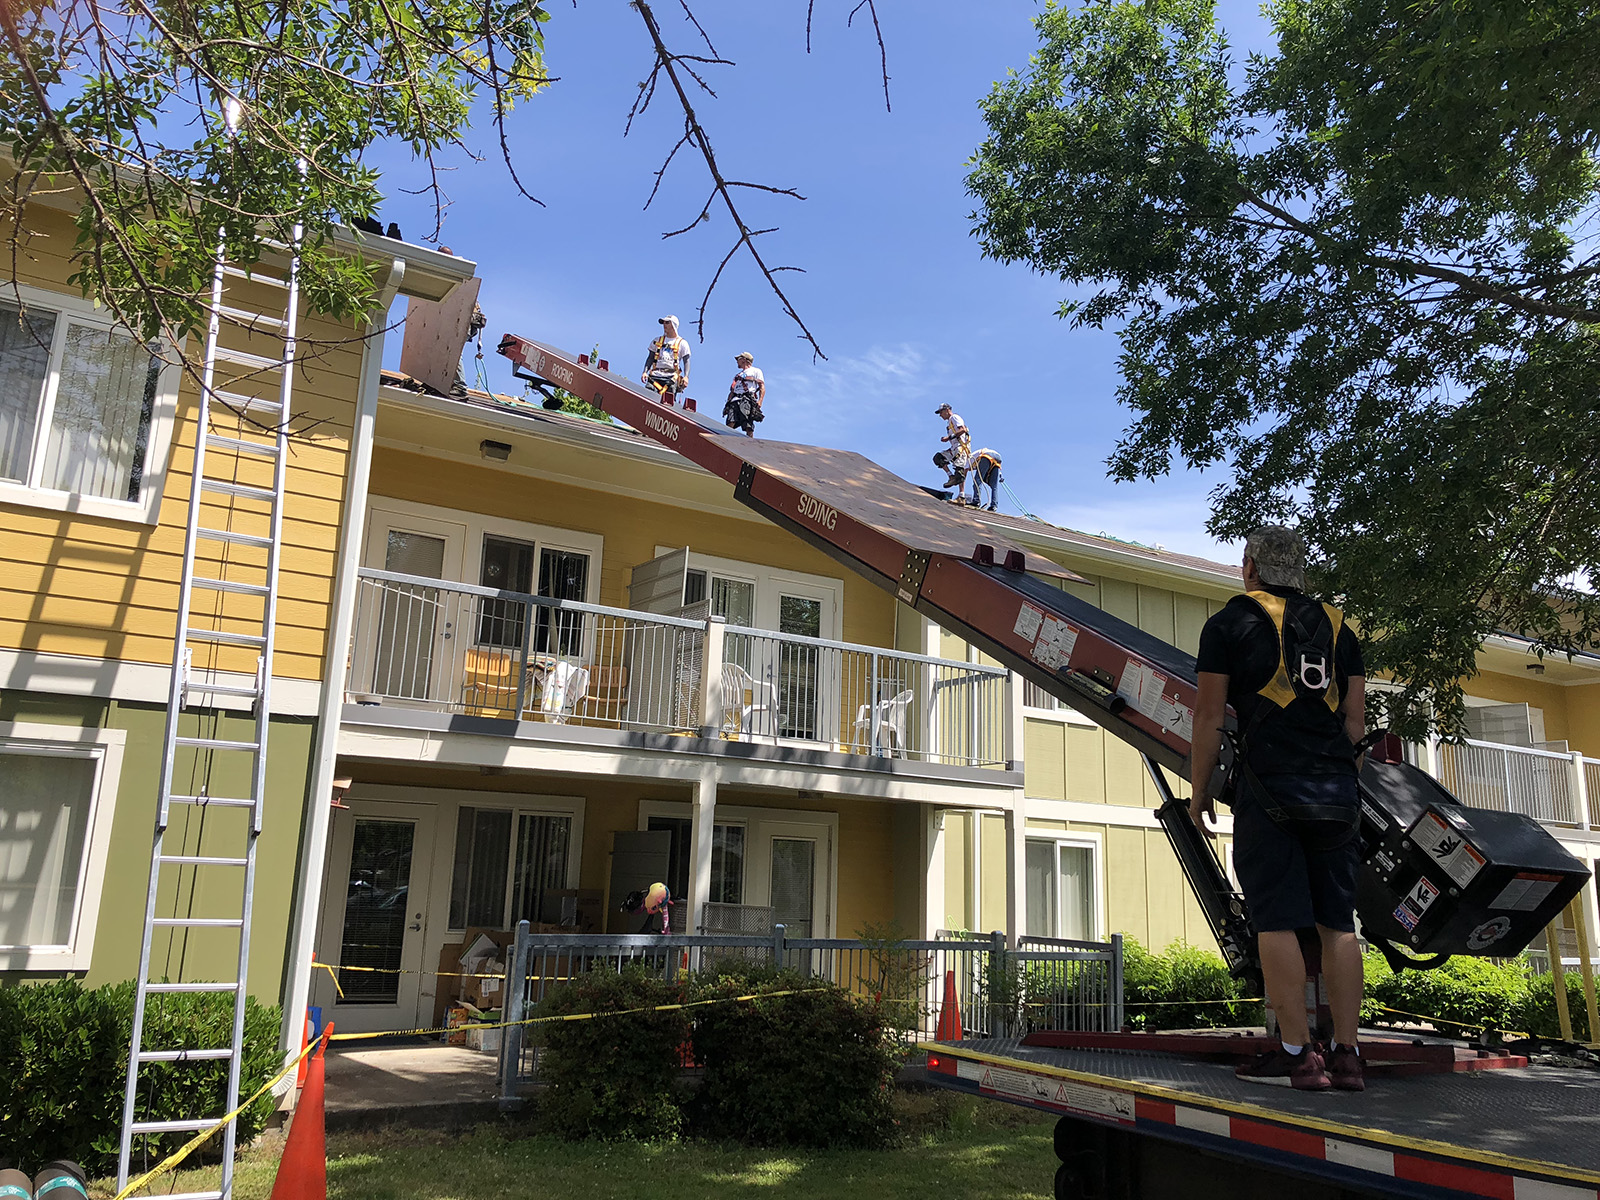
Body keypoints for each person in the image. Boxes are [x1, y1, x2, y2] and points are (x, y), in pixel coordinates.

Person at [1189, 525, 1367, 1093]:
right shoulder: (1342, 629)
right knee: (1338, 924)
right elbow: (1355, 725)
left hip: (1270, 795)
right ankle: (1347, 1054)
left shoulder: (1229, 624)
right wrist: (1341, 785)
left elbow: (1208, 718)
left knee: (1275, 919)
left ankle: (1298, 1053)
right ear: (1301, 570)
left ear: (1250, 568)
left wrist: (1197, 797)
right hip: (1337, 794)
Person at [642, 315, 690, 402]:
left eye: (667, 322)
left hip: (671, 378)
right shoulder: (657, 340)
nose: (664, 325)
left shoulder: (682, 343)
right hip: (655, 376)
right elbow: (650, 358)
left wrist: (686, 377)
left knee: (668, 402)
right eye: (663, 323)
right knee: (648, 398)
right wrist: (645, 372)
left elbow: (686, 361)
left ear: (673, 325)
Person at [723, 351, 765, 436]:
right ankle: (726, 441)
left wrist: (760, 401)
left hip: (746, 399)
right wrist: (727, 404)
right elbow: (732, 391)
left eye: (738, 359)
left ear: (744, 360)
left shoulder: (755, 371)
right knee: (730, 423)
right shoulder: (738, 375)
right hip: (735, 400)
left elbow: (762, 386)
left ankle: (750, 443)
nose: (737, 361)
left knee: (748, 425)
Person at [932, 402, 971, 490]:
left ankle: (962, 495)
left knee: (960, 474)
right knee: (938, 458)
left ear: (947, 410)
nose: (940, 415)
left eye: (941, 412)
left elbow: (962, 430)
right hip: (954, 448)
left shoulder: (954, 417)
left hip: (960, 448)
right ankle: (951, 477)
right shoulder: (949, 422)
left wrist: (948, 438)